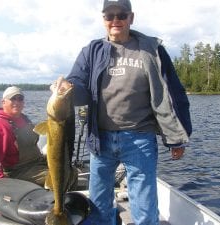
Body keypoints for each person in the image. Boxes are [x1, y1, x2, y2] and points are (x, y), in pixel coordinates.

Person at [53, 0, 192, 224]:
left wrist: (177, 139)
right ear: (103, 20)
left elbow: (174, 93)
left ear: (131, 17)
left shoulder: (152, 50)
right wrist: (69, 88)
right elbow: (79, 85)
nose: (115, 20)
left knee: (144, 207)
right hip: (100, 138)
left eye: (121, 15)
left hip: (140, 138)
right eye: (109, 16)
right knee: (98, 205)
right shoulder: (92, 51)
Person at [0, 86, 48, 186]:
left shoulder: (24, 119)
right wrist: (1, 181)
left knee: (69, 171)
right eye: (13, 99)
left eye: (20, 99)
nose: (17, 102)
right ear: (3, 102)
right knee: (58, 179)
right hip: (18, 171)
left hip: (37, 162)